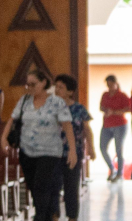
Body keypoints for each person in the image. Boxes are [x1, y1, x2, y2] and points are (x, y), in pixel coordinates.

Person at [0, 71, 76, 221]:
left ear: (43, 84)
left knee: (42, 184)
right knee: (34, 187)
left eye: (33, 84)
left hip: (50, 152)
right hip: (27, 151)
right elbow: (12, 119)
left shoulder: (57, 102)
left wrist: (72, 150)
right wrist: (3, 138)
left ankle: (40, 216)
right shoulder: (24, 100)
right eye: (27, 84)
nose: (29, 87)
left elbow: (67, 126)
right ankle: (46, 214)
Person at [53, 74, 95, 221]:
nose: (57, 90)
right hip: (53, 154)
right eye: (56, 87)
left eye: (61, 87)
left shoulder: (78, 109)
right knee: (54, 187)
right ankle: (54, 216)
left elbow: (87, 130)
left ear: (70, 91)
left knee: (71, 188)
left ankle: (72, 217)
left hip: (73, 153)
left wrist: (91, 148)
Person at [99, 75, 129, 182]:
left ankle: (120, 173)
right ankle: (112, 169)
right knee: (102, 148)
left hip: (120, 125)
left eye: (111, 84)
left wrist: (115, 112)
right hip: (107, 125)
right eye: (107, 84)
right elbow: (101, 107)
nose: (109, 86)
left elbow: (128, 108)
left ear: (116, 83)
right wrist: (107, 110)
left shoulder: (122, 95)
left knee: (119, 150)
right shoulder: (105, 95)